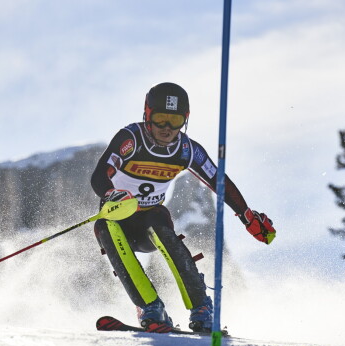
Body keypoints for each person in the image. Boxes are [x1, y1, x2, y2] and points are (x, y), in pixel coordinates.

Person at [91, 82, 275, 332]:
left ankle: (201, 307)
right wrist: (111, 193)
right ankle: (150, 307)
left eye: (174, 120)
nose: (166, 128)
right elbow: (101, 173)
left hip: (150, 222)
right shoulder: (131, 139)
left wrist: (246, 215)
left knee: (157, 222)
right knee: (104, 225)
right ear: (147, 115)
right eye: (160, 119)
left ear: (184, 120)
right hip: (121, 219)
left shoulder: (187, 150)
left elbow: (218, 181)